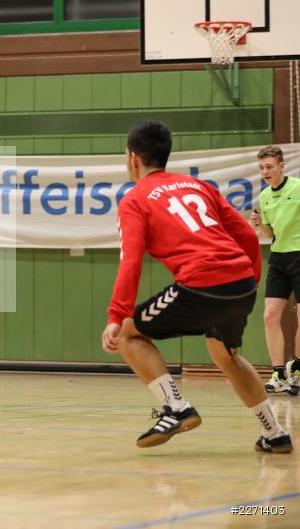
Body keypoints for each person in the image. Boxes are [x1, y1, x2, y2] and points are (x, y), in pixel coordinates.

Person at [102, 121, 292, 453]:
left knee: (129, 335)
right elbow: (248, 236)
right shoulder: (196, 185)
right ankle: (275, 432)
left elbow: (130, 262)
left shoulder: (135, 200)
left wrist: (116, 316)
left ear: (133, 158)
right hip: (241, 283)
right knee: (226, 354)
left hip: (202, 283)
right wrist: (251, 281)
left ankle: (176, 407)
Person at [250, 145, 300, 396]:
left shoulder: (298, 188)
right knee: (270, 315)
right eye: (261, 168)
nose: (265, 171)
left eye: (269, 166)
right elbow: (271, 235)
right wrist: (260, 225)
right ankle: (279, 373)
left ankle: (298, 370)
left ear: (282, 166)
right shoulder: (265, 196)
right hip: (279, 257)